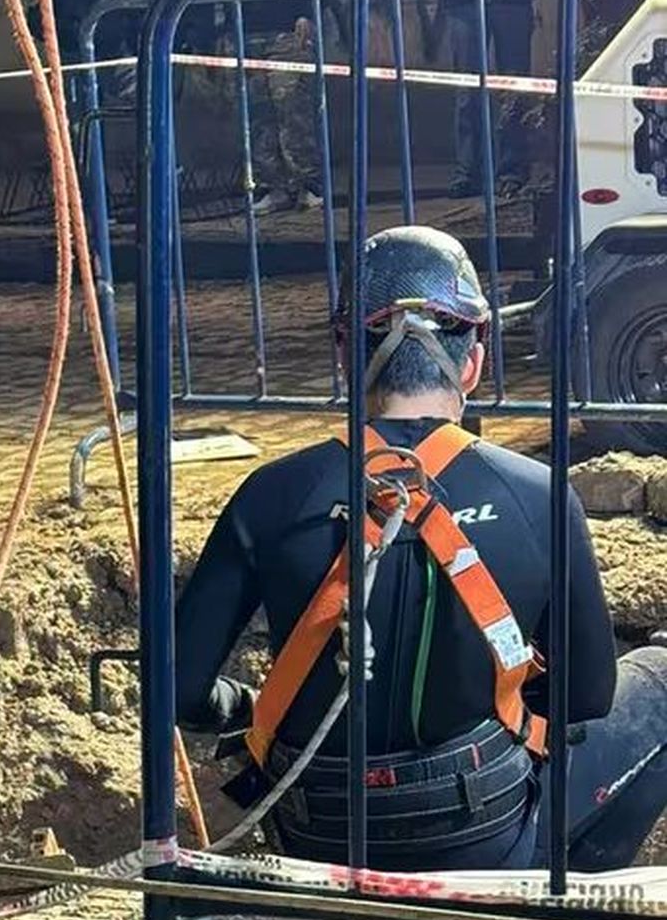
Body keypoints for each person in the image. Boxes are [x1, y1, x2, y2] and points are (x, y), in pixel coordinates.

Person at [175, 224, 667, 872]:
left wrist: (243, 702)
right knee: (657, 686)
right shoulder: (537, 494)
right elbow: (586, 698)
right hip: (484, 837)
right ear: (474, 358)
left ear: (347, 349)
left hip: (315, 836)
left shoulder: (271, 494)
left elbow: (178, 687)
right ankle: (569, 891)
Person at [440, 0, 535, 197]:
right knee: (468, 89)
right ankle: (470, 173)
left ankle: (511, 172)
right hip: (466, 0)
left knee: (513, 89)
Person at [249, 15, 324, 215]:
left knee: (293, 114)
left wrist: (307, 12)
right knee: (257, 118)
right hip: (243, 31)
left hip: (288, 31)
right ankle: (272, 188)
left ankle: (311, 186)